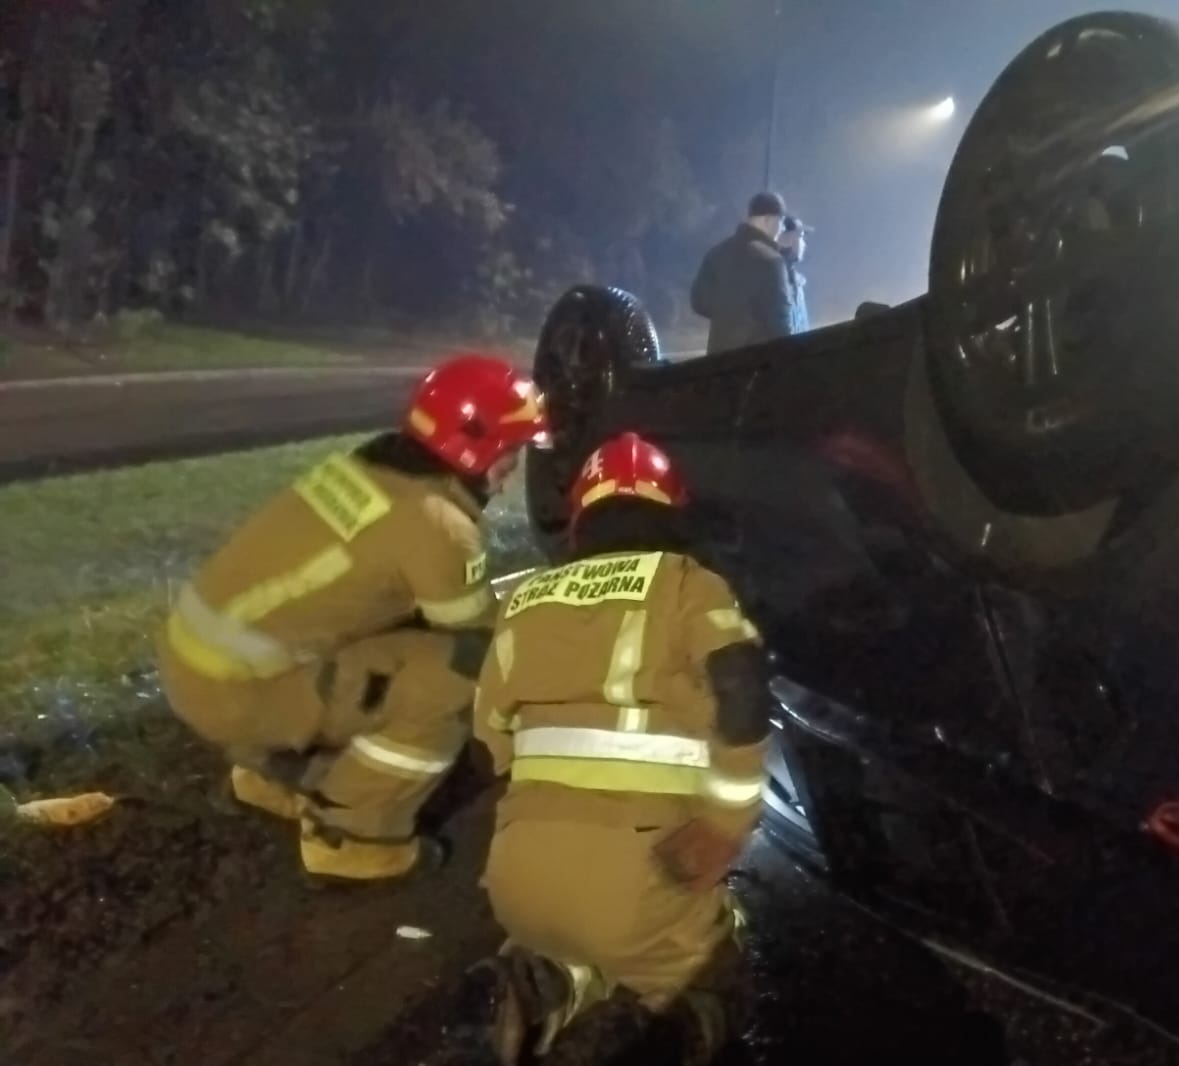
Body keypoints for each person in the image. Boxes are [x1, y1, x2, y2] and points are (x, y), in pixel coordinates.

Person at [155, 353, 549, 882]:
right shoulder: (440, 525)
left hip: (192, 665)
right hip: (239, 697)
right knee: (460, 673)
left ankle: (267, 775)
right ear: (476, 447)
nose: (510, 473)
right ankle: (352, 836)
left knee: (387, 640)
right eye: (511, 453)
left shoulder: (358, 471)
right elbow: (482, 638)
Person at [474, 431, 772, 1065]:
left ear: (582, 518)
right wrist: (723, 822)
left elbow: (492, 738)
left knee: (570, 939)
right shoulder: (689, 582)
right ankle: (643, 1031)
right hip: (644, 878)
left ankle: (542, 981)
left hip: (517, 879)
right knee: (716, 982)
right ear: (671, 512)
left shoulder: (524, 599)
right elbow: (742, 685)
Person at [690, 191, 796, 353]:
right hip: (755, 364)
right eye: (780, 222)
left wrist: (728, 313)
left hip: (717, 360)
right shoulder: (771, 261)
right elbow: (781, 323)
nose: (781, 229)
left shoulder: (717, 253)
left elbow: (698, 302)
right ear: (768, 220)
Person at [777, 215, 812, 335]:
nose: (804, 244)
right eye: (800, 237)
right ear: (786, 239)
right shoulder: (770, 281)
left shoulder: (797, 282)